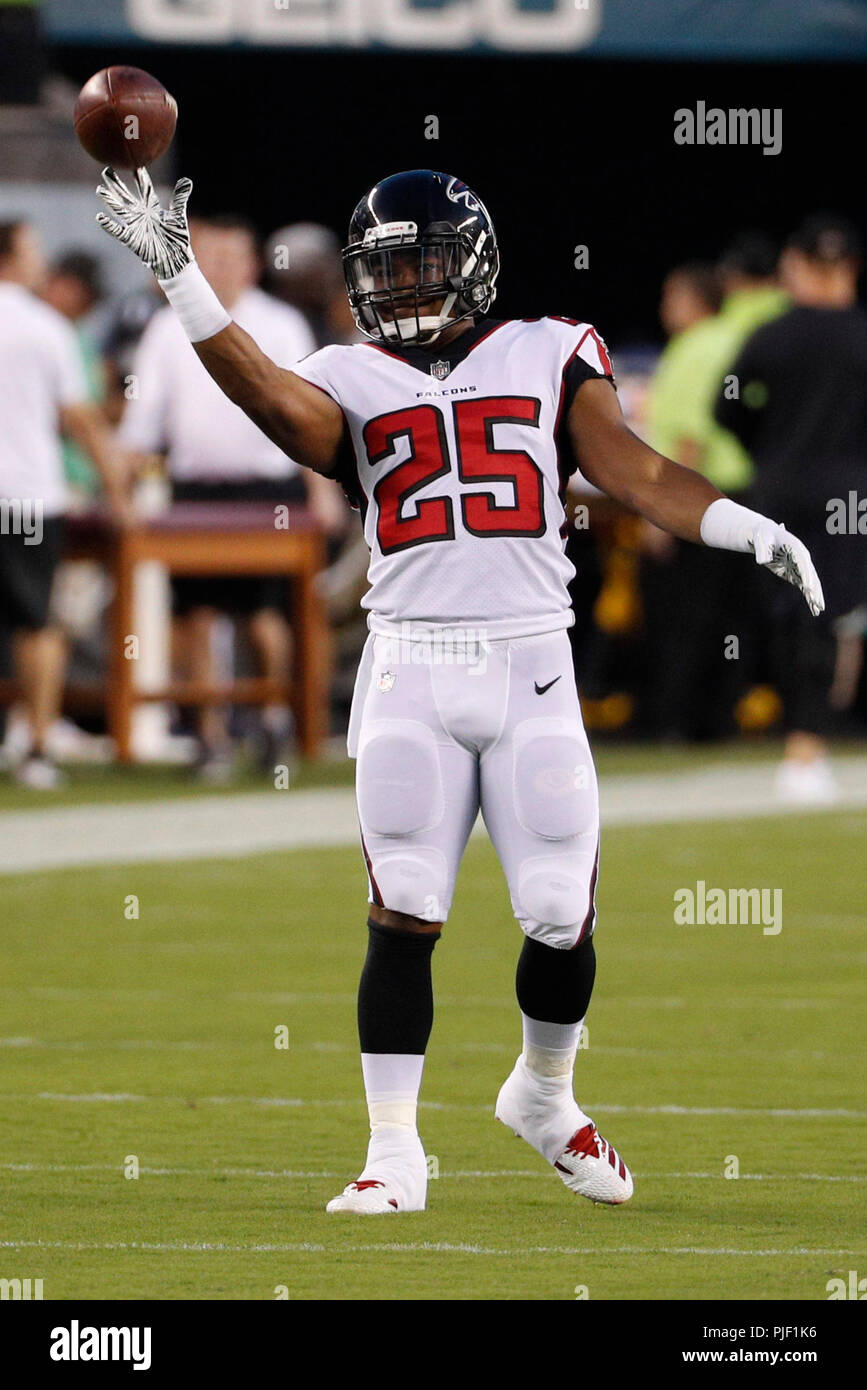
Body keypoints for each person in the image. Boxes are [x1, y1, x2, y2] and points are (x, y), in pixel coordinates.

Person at [95, 166, 824, 1214]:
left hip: (531, 659)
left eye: (420, 263)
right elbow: (266, 396)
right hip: (410, 666)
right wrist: (181, 280)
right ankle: (394, 1149)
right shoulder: (347, 371)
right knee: (404, 905)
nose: (399, 286)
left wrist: (747, 526)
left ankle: (543, 1091)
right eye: (382, 268)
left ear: (474, 263)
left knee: (559, 909)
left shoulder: (550, 349)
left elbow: (629, 467)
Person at [118, 213, 343, 777]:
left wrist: (323, 491)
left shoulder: (282, 323)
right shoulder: (169, 327)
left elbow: (305, 409)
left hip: (266, 489)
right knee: (195, 615)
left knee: (266, 614)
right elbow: (142, 421)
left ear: (252, 264)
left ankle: (273, 720)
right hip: (194, 490)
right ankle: (210, 734)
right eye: (206, 257)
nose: (216, 267)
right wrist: (121, 486)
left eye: (227, 257)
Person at [716, 215, 867, 802]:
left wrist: (771, 456)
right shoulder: (860, 334)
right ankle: (807, 744)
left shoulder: (771, 334)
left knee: (786, 613)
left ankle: (796, 740)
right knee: (829, 616)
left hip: (779, 492)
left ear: (796, 266)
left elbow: (727, 407)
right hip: (847, 498)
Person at [0, 220, 129, 788]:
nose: (40, 260)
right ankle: (37, 748)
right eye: (31, 249)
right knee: (37, 624)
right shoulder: (43, 325)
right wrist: (117, 489)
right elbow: (79, 418)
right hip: (26, 497)